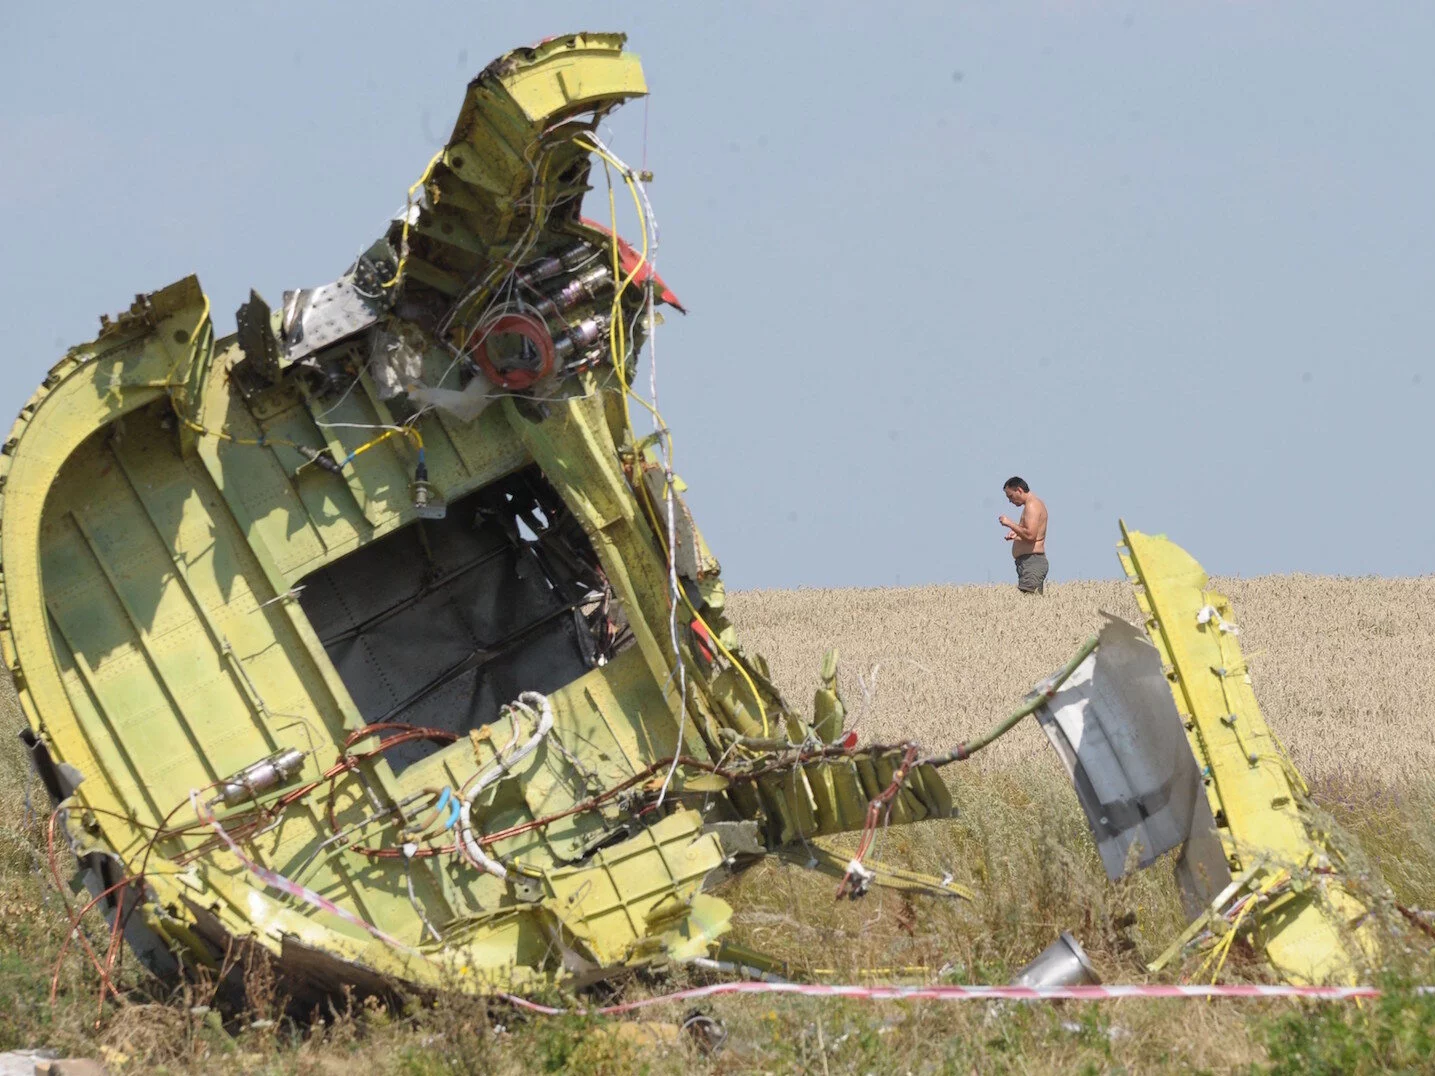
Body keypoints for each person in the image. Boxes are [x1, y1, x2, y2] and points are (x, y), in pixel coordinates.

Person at [998, 476, 1048, 594]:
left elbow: (1030, 536)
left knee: (1030, 602)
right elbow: (1030, 534)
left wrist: (1009, 523)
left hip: (1032, 562)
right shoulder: (1032, 505)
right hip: (1028, 563)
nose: (1010, 501)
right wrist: (1017, 535)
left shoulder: (1032, 506)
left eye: (1010, 496)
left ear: (1019, 490)